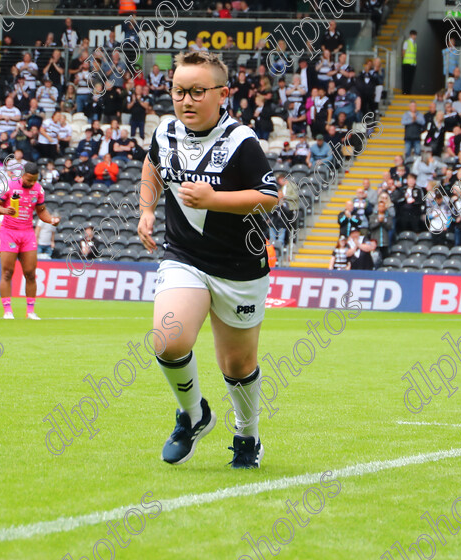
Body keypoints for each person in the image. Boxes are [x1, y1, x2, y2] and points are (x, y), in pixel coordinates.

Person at [137, 51, 279, 469]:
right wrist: (147, 209)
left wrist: (214, 199)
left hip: (239, 269)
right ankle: (194, 414)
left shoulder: (242, 141)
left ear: (223, 94)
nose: (187, 100)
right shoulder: (165, 132)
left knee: (237, 365)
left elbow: (269, 198)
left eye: (198, 91)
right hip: (184, 257)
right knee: (168, 338)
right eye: (179, 91)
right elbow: (152, 165)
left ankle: (247, 436)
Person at [0, 162, 60, 319]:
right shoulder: (8, 184)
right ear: (22, 175)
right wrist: (4, 210)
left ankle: (30, 311)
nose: (31, 183)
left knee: (30, 273)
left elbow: (41, 212)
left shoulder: (38, 189)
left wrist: (51, 220)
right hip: (9, 232)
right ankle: (7, 311)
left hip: (27, 233)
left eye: (34, 180)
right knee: (7, 272)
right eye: (29, 179)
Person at [402, 30, 417, 94]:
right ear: (411, 35)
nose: (415, 36)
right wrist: (403, 59)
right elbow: (403, 51)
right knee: (406, 78)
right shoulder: (407, 42)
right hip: (407, 63)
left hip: (413, 63)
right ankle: (405, 91)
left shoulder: (415, 43)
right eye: (414, 35)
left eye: (415, 35)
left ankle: (408, 91)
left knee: (410, 79)